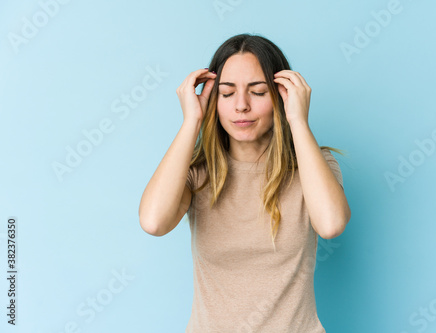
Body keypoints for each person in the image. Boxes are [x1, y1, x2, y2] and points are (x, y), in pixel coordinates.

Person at [138, 33, 351, 333]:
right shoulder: (196, 174)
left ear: (281, 95)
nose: (241, 106)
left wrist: (298, 121)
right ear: (213, 101)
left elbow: (331, 224)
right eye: (227, 93)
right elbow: (153, 222)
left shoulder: (314, 166)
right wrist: (191, 122)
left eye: (259, 92)